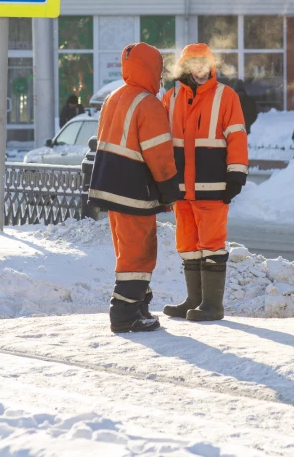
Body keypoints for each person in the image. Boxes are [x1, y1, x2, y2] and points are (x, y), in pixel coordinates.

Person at [88, 42, 182, 334]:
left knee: (126, 250)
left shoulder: (114, 97)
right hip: (134, 189)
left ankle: (139, 305)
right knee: (139, 252)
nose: (161, 76)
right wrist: (170, 190)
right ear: (151, 68)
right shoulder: (148, 103)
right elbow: (159, 154)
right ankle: (125, 313)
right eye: (159, 70)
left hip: (111, 186)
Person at [161, 43, 249, 322]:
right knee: (187, 244)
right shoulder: (170, 98)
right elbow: (161, 142)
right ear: (184, 67)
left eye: (204, 63)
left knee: (212, 244)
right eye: (193, 64)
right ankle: (194, 300)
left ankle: (212, 305)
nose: (199, 69)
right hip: (180, 188)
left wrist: (236, 175)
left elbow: (236, 136)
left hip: (213, 186)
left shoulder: (226, 96)